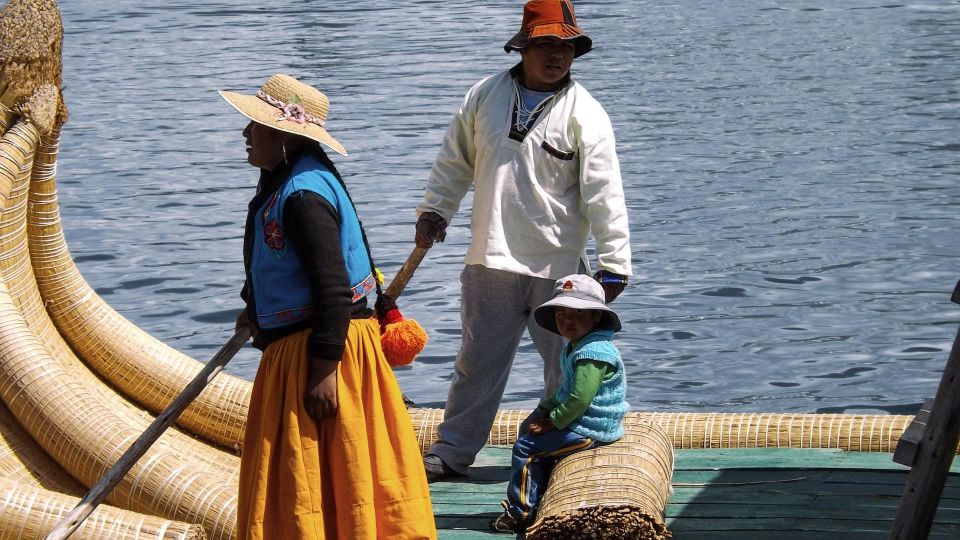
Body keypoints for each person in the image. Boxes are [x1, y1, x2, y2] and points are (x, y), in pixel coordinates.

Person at [416, 0, 632, 480]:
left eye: (566, 47)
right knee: (477, 363)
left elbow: (605, 191)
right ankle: (451, 453)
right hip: (488, 258)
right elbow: (455, 160)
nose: (557, 55)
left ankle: (563, 452)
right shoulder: (484, 95)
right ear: (524, 47)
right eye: (547, 45)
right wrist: (435, 209)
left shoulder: (587, 114)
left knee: (567, 369)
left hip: (559, 271)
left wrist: (614, 262)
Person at [221, 74, 437, 539]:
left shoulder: (302, 195)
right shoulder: (292, 178)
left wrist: (322, 370)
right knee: (338, 470)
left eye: (253, 126)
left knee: (318, 472)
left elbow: (332, 287)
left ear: (282, 136)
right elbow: (280, 265)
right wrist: (253, 309)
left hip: (323, 354)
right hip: (321, 347)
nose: (244, 135)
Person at [491, 274, 628, 533]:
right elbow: (566, 391)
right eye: (561, 314)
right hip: (581, 419)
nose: (567, 320)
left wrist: (552, 421)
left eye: (576, 313)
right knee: (527, 428)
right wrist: (543, 409)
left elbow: (578, 400)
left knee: (525, 448)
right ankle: (536, 493)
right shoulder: (579, 346)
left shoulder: (593, 353)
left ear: (596, 316)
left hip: (592, 427)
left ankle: (520, 513)